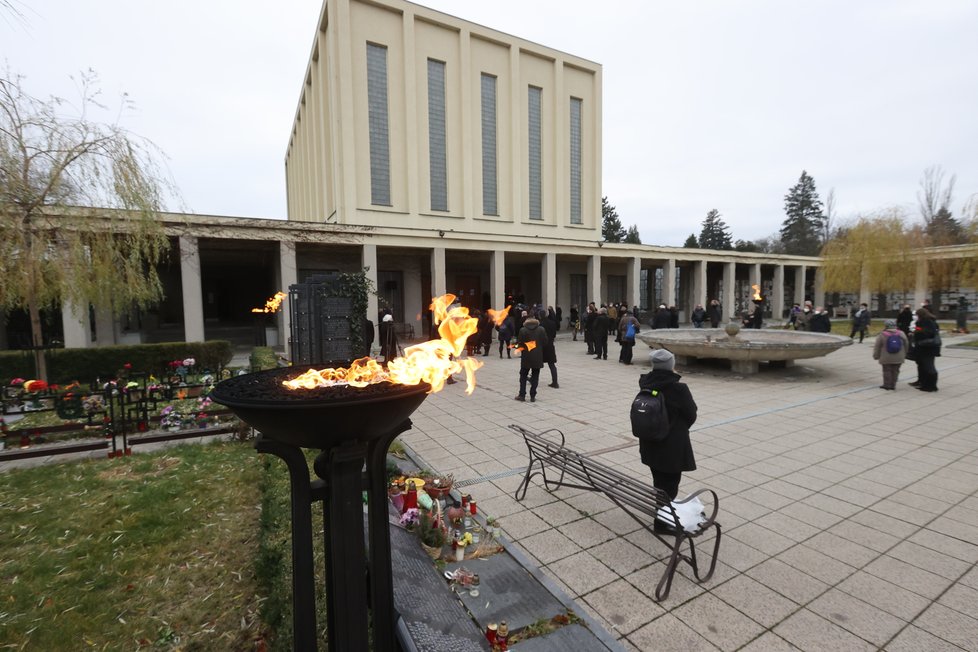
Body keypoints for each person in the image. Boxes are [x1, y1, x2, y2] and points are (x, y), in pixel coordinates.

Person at [638, 349, 697, 531]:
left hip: (650, 443)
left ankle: (661, 512)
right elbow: (691, 414)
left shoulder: (646, 383)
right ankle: (662, 523)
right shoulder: (679, 388)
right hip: (672, 447)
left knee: (659, 481)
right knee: (670, 485)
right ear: (671, 365)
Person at [514, 311, 548, 402]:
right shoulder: (541, 329)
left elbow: (520, 344)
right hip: (537, 356)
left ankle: (522, 395)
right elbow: (545, 342)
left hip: (526, 356)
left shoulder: (523, 330)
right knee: (535, 375)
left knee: (523, 375)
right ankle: (533, 395)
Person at [873, 319, 909, 390]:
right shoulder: (901, 333)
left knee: (887, 370)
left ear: (886, 326)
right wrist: (905, 353)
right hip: (899, 356)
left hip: (886, 357)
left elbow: (877, 347)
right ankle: (893, 385)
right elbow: (906, 344)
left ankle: (887, 385)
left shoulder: (882, 334)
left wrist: (876, 356)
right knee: (896, 371)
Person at [910, 308, 941, 392]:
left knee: (929, 367)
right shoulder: (926, 321)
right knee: (922, 366)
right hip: (924, 348)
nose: (916, 317)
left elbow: (927, 333)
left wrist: (917, 331)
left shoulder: (927, 321)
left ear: (920, 315)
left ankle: (931, 386)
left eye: (917, 315)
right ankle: (922, 382)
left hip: (927, 348)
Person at [539, 309, 559, 388]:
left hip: (541, 346)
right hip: (550, 345)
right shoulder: (552, 323)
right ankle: (555, 382)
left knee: (536, 364)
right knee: (552, 364)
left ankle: (533, 379)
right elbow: (554, 334)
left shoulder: (540, 324)